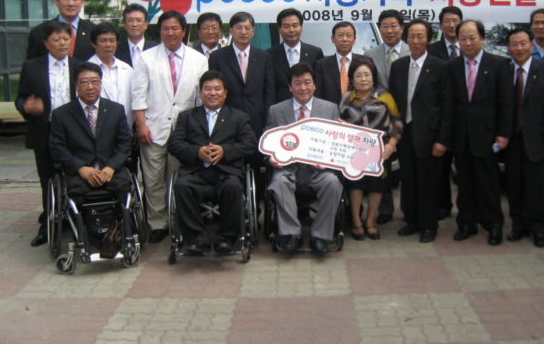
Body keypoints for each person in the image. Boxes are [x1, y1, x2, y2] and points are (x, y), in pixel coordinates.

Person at [132, 10, 208, 244]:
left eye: (175, 28)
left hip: (184, 133)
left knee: (178, 179)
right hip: (152, 129)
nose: (170, 33)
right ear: (159, 32)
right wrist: (141, 125)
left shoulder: (199, 59)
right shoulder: (146, 58)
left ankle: (178, 220)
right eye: (165, 28)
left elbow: (201, 99)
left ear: (184, 31)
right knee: (153, 180)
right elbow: (138, 95)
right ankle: (157, 223)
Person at [167, 71, 257, 256]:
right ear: (200, 93)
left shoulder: (238, 117)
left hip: (226, 173)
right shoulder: (187, 117)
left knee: (233, 186)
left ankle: (225, 239)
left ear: (225, 93)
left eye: (217, 89)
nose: (213, 93)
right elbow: (174, 144)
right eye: (208, 89)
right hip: (196, 172)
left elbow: (250, 144)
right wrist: (196, 152)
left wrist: (225, 151)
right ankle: (197, 239)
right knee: (181, 185)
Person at [16, 21, 83, 247]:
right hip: (44, 131)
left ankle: (76, 220)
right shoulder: (32, 66)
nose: (62, 43)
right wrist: (26, 107)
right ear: (46, 43)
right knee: (47, 180)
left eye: (66, 38)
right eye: (56, 39)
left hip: (75, 133)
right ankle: (48, 224)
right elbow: (21, 97)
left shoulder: (79, 66)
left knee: (76, 177)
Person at [266, 63, 344, 254]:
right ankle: (292, 234)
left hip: (319, 170)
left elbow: (337, 145)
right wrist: (270, 158)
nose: (303, 88)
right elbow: (268, 143)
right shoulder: (276, 110)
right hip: (287, 169)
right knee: (278, 182)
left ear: (314, 85)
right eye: (298, 83)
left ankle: (320, 236)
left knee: (333, 183)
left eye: (307, 83)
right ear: (290, 87)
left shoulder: (330, 109)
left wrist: (330, 158)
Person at [448, 19, 514, 245]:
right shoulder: (452, 66)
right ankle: (466, 223)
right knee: (464, 184)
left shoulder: (499, 64)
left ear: (482, 39)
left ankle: (493, 224)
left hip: (487, 136)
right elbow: (450, 104)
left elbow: (506, 102)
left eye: (472, 38)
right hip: (461, 137)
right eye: (463, 38)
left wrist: (503, 133)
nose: (467, 43)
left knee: (488, 184)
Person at [389, 19, 453, 243]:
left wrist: (442, 140)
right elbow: (393, 104)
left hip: (430, 135)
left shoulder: (440, 67)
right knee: (409, 181)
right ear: (406, 38)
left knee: (429, 183)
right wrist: (393, 135)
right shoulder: (398, 66)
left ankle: (429, 225)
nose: (415, 41)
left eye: (420, 36)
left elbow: (447, 107)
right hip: (405, 134)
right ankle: (412, 221)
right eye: (412, 36)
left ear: (428, 39)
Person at [504, 28, 544, 248]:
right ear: (508, 48)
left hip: (538, 139)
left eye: (523, 43)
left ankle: (538, 227)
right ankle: (518, 225)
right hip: (512, 139)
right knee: (514, 185)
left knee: (537, 186)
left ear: (531, 45)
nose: (519, 48)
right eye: (514, 44)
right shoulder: (505, 70)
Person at [49, 63, 132, 205]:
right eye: (84, 82)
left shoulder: (116, 110)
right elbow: (58, 148)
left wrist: (111, 167)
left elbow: (125, 143)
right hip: (79, 173)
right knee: (75, 195)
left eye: (95, 81)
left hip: (111, 171)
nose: (90, 87)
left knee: (124, 193)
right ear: (76, 85)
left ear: (101, 84)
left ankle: (122, 220)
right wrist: (80, 168)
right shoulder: (61, 114)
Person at [339, 57, 402, 241]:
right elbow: (339, 122)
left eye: (367, 75)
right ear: (352, 80)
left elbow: (397, 121)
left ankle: (370, 222)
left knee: (377, 186)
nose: (363, 79)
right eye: (358, 75)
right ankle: (356, 222)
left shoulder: (384, 96)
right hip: (355, 152)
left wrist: (391, 144)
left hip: (381, 151)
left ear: (373, 77)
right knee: (356, 185)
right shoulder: (346, 98)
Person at [364, 9, 409, 225]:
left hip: (409, 118)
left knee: (410, 167)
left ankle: (410, 209)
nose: (389, 30)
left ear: (402, 28)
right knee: (383, 166)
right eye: (385, 26)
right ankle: (385, 209)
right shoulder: (370, 54)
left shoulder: (413, 50)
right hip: (380, 120)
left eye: (393, 26)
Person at [208, 11, 274, 140]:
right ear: (231, 30)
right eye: (239, 28)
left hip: (257, 120)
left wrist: (267, 122)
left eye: (247, 28)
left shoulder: (264, 57)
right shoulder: (217, 57)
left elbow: (269, 92)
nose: (243, 32)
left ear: (253, 31)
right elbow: (215, 91)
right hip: (227, 119)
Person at [427, 5, 462, 220]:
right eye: (447, 21)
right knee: (441, 167)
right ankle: (443, 205)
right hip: (440, 117)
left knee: (467, 168)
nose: (451, 25)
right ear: (440, 26)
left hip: (465, 117)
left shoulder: (469, 46)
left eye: (455, 21)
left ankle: (469, 208)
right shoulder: (431, 50)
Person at [267, 8, 324, 103]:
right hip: (281, 108)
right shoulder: (269, 55)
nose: (291, 30)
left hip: (309, 107)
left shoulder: (315, 53)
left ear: (301, 27)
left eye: (295, 26)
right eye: (286, 26)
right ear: (279, 29)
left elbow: (319, 85)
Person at [26, 0, 96, 61]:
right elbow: (32, 65)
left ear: (82, 2)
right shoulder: (39, 32)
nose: (71, 3)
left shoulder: (94, 31)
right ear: (56, 1)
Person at [87, 22, 134, 131]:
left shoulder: (127, 69)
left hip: (126, 130)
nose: (108, 45)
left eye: (112, 40)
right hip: (97, 130)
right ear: (93, 44)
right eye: (103, 41)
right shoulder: (86, 70)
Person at [314, 21, 365, 105]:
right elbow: (318, 94)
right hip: (330, 111)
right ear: (333, 39)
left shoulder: (364, 62)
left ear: (354, 39)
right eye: (340, 35)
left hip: (359, 110)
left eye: (349, 35)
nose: (345, 39)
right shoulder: (321, 65)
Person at [115, 4, 154, 68]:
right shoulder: (116, 50)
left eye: (139, 20)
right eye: (130, 20)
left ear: (146, 25)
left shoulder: (156, 50)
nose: (134, 24)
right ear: (124, 25)